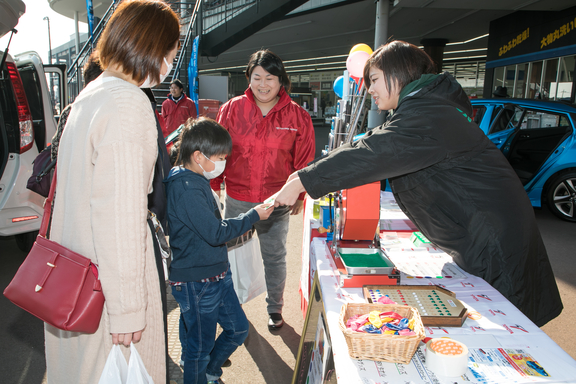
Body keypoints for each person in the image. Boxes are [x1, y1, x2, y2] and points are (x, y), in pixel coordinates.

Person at [273, 40, 563, 327]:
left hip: (494, 246)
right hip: (483, 238)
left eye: (374, 80)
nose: (370, 89)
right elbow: (374, 142)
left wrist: (303, 180)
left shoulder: (429, 114)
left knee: (509, 332)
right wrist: (304, 176)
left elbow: (376, 152)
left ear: (398, 73)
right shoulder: (425, 107)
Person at [45, 1, 180, 383]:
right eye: (169, 53)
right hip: (105, 298)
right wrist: (127, 309)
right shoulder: (127, 102)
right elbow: (119, 216)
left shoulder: (92, 94)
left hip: (76, 278)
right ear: (151, 47)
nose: (170, 63)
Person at [211, 49, 315, 329]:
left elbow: (304, 162)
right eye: (257, 77)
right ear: (249, 78)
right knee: (232, 257)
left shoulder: (298, 117)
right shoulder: (231, 109)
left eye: (270, 77)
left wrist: (299, 194)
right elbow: (217, 152)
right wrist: (213, 187)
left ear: (282, 81)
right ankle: (232, 309)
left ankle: (275, 308)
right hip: (237, 199)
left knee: (274, 256)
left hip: (275, 202)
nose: (263, 84)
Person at [164, 117, 273, 384]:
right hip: (198, 281)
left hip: (214, 275)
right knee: (197, 350)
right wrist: (252, 216)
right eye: (220, 157)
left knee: (237, 329)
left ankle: (210, 373)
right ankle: (201, 374)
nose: (223, 163)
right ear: (198, 156)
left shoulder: (195, 178)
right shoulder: (186, 187)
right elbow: (215, 232)